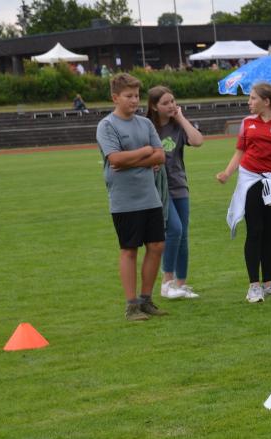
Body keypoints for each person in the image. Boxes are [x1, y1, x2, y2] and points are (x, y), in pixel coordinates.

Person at [216, 83, 271, 304]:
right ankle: (254, 286)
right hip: (251, 181)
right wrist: (227, 172)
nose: (249, 102)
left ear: (266, 102)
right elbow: (240, 152)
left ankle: (269, 283)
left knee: (268, 233)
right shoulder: (247, 123)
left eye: (253, 98)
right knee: (255, 231)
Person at [95, 73, 167, 322]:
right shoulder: (107, 126)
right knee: (129, 250)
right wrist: (146, 152)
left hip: (150, 196)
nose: (134, 100)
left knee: (157, 246)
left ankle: (146, 300)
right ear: (115, 97)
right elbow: (115, 159)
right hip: (125, 199)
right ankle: (131, 306)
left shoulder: (145, 124)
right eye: (129, 96)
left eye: (137, 95)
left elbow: (160, 156)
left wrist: (137, 157)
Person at [146, 85, 205, 299]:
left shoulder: (178, 126)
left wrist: (180, 118)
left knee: (183, 235)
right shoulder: (147, 127)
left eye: (173, 101)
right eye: (165, 103)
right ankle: (167, 282)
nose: (171, 105)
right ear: (154, 106)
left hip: (180, 185)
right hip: (158, 188)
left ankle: (181, 284)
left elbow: (197, 141)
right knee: (174, 230)